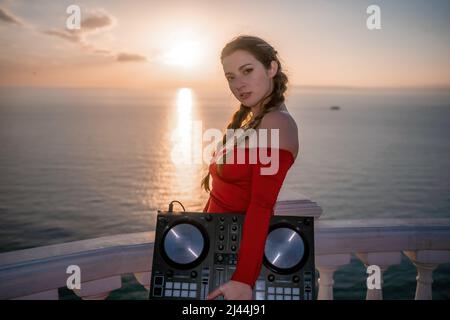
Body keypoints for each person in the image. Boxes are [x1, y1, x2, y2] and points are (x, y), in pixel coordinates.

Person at [201, 35, 299, 300]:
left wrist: (243, 280)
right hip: (215, 250)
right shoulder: (253, 121)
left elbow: (261, 206)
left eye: (247, 71)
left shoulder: (277, 123)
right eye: (230, 77)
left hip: (235, 263)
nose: (238, 84)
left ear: (271, 68)